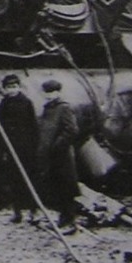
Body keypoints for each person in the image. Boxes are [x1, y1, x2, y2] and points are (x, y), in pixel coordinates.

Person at [0, 74, 41, 223]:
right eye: (9, 87)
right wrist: (3, 147)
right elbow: (0, 126)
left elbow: (33, 125)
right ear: (5, 89)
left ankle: (33, 211)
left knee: (29, 179)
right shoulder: (4, 104)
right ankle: (17, 212)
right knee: (14, 180)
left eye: (14, 86)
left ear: (19, 87)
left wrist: (35, 146)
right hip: (10, 146)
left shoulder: (26, 103)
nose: (12, 90)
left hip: (26, 147)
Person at [36, 78, 81, 227]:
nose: (49, 95)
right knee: (56, 186)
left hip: (62, 155)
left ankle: (70, 220)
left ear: (58, 92)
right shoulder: (48, 108)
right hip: (51, 155)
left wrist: (57, 145)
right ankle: (63, 218)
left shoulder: (64, 108)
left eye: (53, 92)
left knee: (66, 187)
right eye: (47, 93)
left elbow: (72, 130)